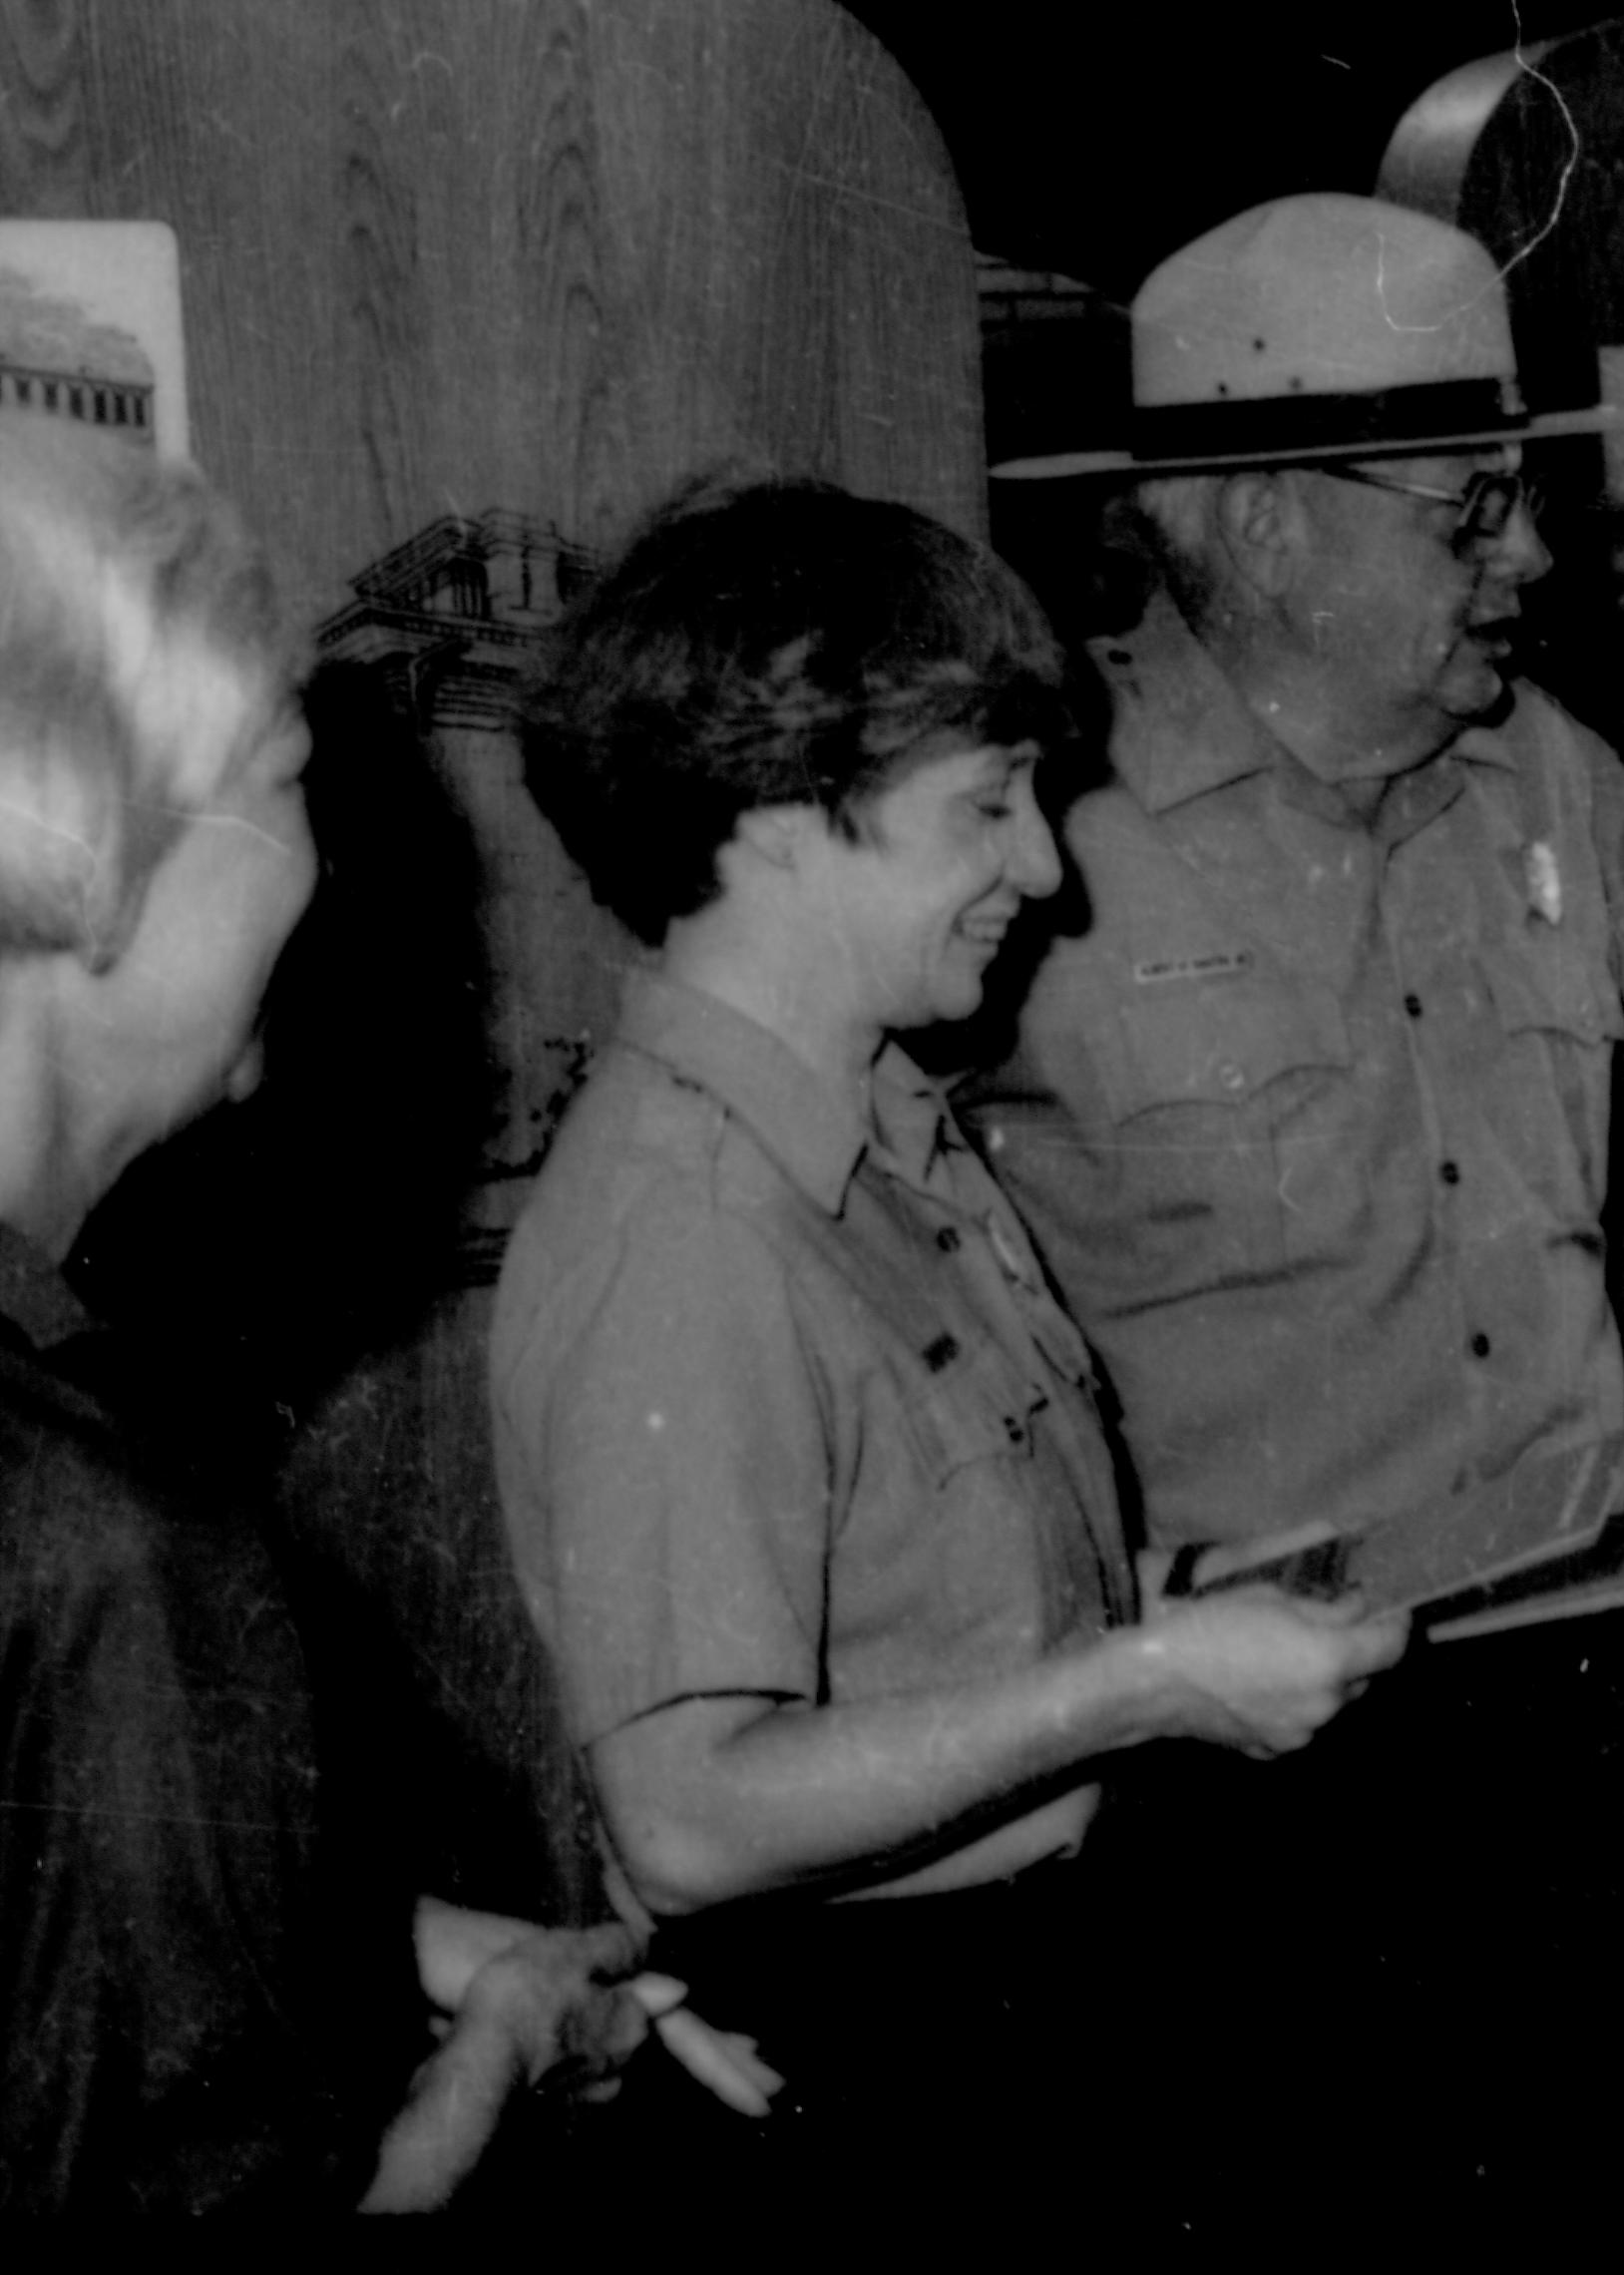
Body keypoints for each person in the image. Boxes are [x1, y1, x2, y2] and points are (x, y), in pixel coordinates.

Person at [973, 193, 1624, 2191]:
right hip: (1245, 1768)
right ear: (1252, 520)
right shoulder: (1024, 837)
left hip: (1601, 1689)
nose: (1537, 558)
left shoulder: (1559, 781)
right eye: (1471, 510)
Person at [492, 475, 1404, 2191]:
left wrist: (1174, 1612)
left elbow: (928, 1609)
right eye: (988, 807)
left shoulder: (878, 1137)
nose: (1044, 868)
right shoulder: (688, 1227)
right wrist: (1139, 1683)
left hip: (1027, 1989)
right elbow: (685, 1817)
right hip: (869, 2049)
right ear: (780, 817)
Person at [0, 409, 681, 2212]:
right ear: (91, 854)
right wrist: (491, 2066)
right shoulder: (106, 1538)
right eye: (289, 774)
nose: (323, 870)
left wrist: (374, 1936)